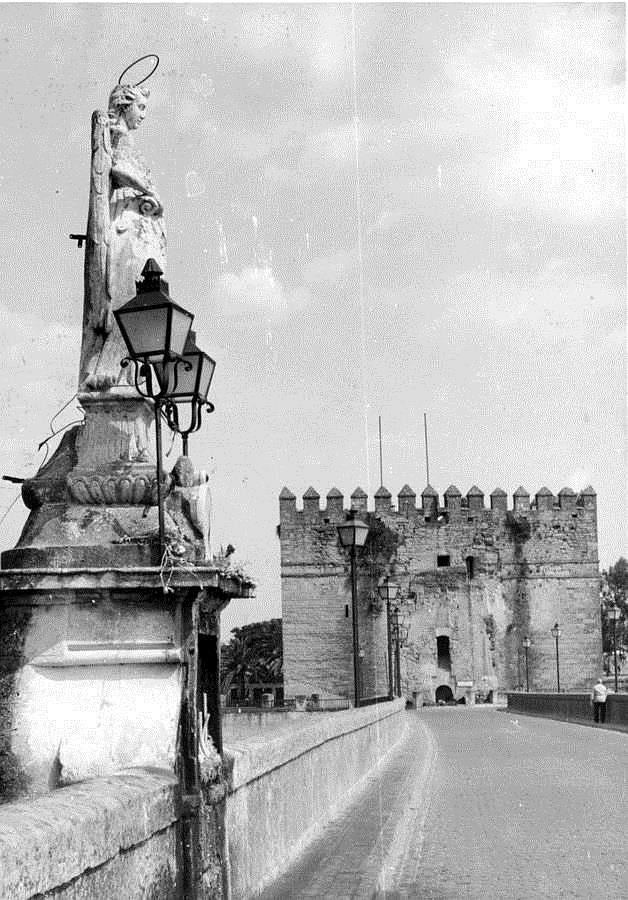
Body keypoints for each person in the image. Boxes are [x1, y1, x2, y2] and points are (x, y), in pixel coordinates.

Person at [80, 82, 167, 390]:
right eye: (140, 107)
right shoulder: (119, 136)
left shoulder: (124, 137)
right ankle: (110, 367)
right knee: (127, 295)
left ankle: (121, 370)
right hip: (124, 227)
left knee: (135, 296)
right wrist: (149, 190)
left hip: (132, 223)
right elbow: (115, 168)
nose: (143, 115)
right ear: (124, 105)